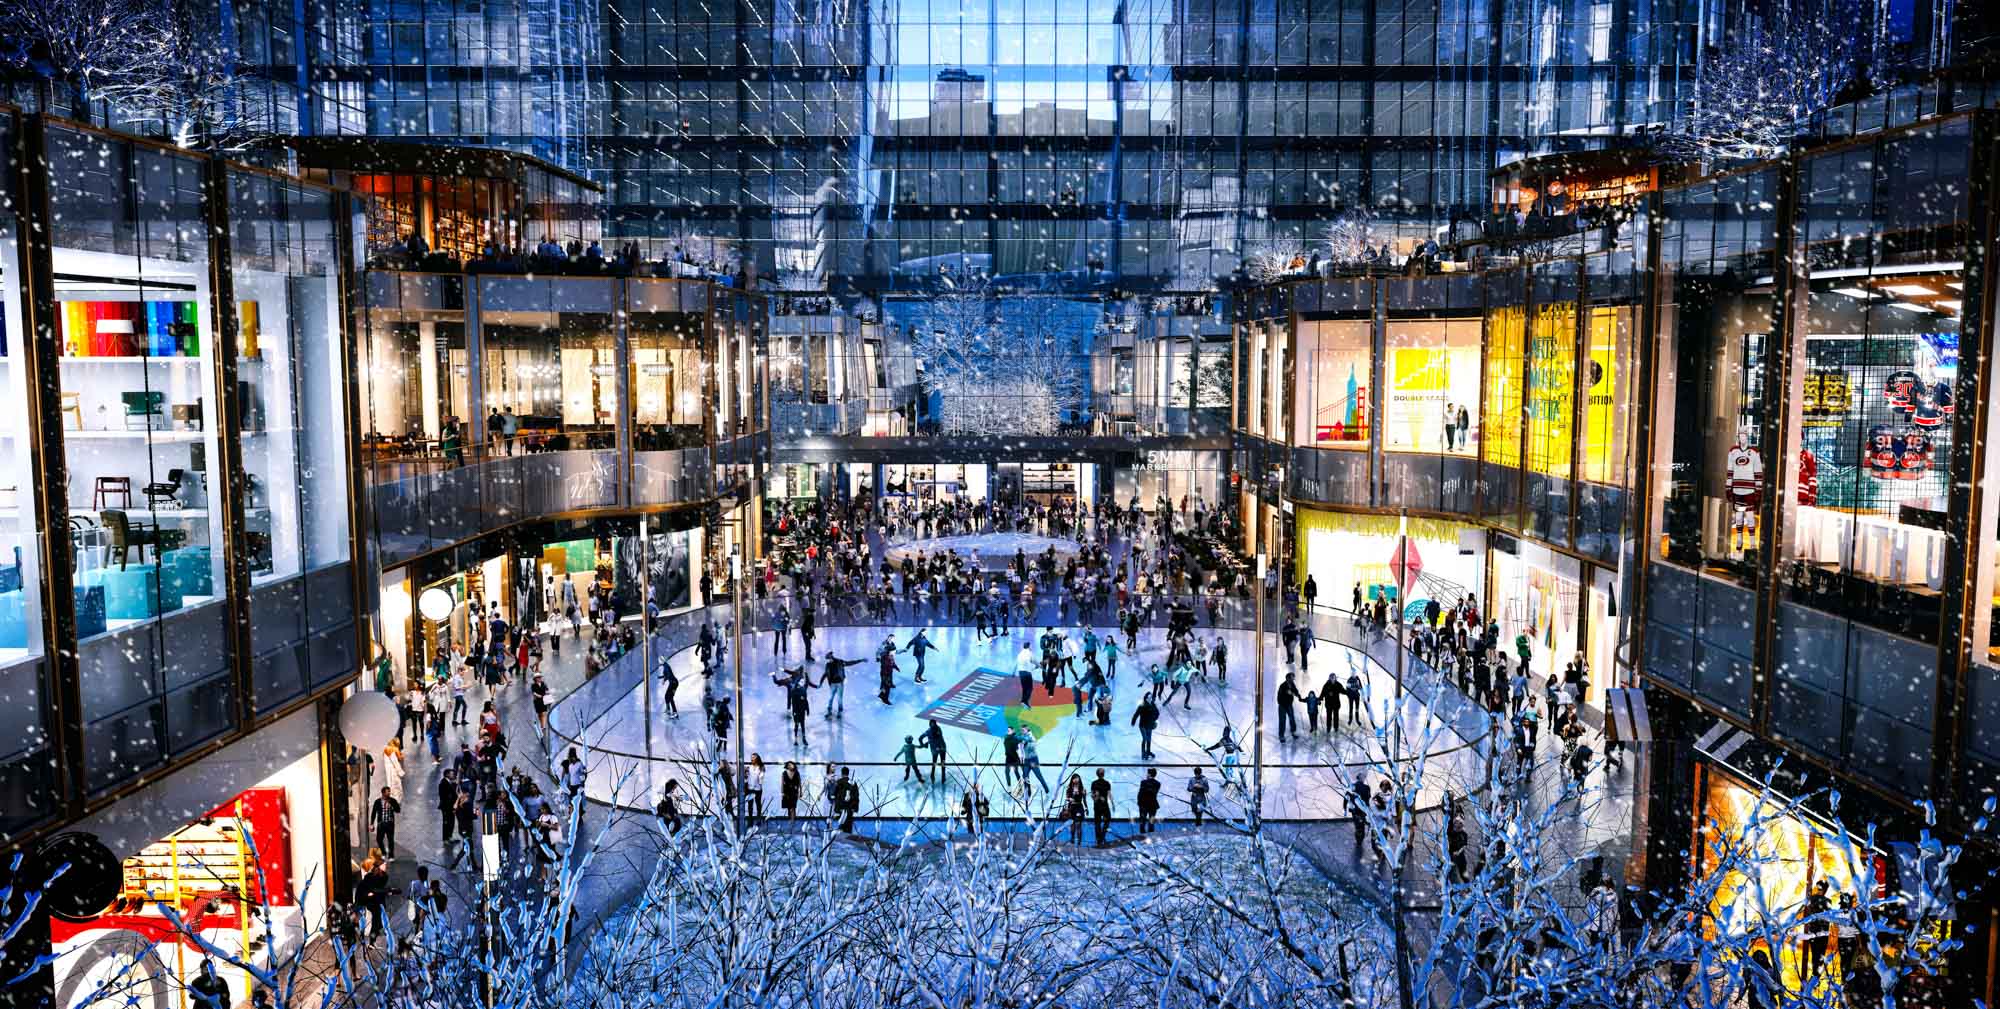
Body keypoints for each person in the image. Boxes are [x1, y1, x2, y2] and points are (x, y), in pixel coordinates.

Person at [370, 786, 400, 859]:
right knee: (379, 839)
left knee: (390, 840)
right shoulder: (377, 802)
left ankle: (391, 856)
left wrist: (392, 807)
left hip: (390, 824)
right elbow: (373, 813)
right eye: (387, 792)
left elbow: (398, 810)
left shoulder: (393, 801)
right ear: (383, 793)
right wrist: (371, 824)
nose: (389, 793)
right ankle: (383, 852)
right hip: (381, 824)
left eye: (389, 791)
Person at [1131, 692, 1160, 759]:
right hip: (1143, 725)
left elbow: (1157, 713)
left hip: (1150, 725)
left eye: (1151, 697)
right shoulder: (1142, 706)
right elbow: (1136, 714)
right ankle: (1143, 753)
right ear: (1146, 698)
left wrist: (1154, 719)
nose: (1150, 699)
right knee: (1145, 739)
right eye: (1148, 697)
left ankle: (1148, 751)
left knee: (1149, 739)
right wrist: (1133, 721)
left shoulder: (1153, 705)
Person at [1089, 768, 1114, 847]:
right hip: (1102, 805)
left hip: (1098, 805)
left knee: (1098, 823)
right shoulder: (1106, 783)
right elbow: (1109, 794)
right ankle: (1101, 838)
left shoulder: (1095, 783)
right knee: (1105, 820)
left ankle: (1099, 839)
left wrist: (1097, 798)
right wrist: (1112, 803)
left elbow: (1093, 796)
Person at [1063, 773, 1087, 844]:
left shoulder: (1082, 789)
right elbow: (1066, 798)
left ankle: (1079, 841)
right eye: (1074, 778)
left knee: (1078, 824)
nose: (1076, 779)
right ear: (1072, 780)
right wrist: (1070, 798)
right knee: (1072, 824)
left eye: (1077, 778)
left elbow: (1084, 800)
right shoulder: (1069, 788)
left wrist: (1086, 808)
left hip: (1079, 807)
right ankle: (1072, 839)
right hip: (1071, 807)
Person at [1135, 769, 1161, 833]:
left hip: (1143, 804)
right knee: (1151, 822)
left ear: (1149, 774)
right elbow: (1154, 793)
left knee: (1142, 822)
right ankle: (1151, 836)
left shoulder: (1143, 782)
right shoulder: (1158, 783)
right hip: (1153, 804)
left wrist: (1139, 802)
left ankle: (1142, 837)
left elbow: (1140, 793)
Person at [1276, 673, 1299, 740]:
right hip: (1282, 706)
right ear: (1288, 678)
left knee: (1292, 718)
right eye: (1292, 678)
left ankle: (1293, 732)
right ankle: (1281, 736)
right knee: (1282, 720)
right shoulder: (1282, 686)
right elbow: (1279, 697)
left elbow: (1296, 691)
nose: (1293, 679)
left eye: (1293, 678)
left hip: (1289, 705)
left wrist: (1296, 694)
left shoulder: (1292, 685)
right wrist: (1282, 702)